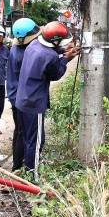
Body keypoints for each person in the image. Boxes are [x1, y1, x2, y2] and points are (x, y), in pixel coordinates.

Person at [16, 21, 81, 180]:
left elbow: (47, 52)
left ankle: (27, 170)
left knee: (28, 139)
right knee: (37, 142)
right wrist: (66, 58)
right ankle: (33, 178)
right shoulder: (51, 56)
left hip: (22, 100)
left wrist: (62, 51)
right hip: (34, 103)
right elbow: (55, 74)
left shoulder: (33, 44)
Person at [6, 18, 41, 172]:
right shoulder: (24, 53)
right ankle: (24, 168)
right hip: (22, 99)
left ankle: (19, 165)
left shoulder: (16, 49)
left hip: (16, 97)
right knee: (26, 134)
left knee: (20, 132)